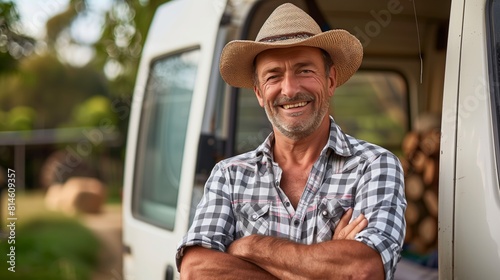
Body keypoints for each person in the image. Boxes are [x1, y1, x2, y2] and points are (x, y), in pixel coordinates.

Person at [176, 3, 406, 280]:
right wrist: (325, 265)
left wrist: (249, 246)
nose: (290, 89)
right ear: (260, 93)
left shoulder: (374, 166)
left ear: (330, 81)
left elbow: (363, 269)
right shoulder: (229, 176)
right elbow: (195, 270)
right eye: (273, 76)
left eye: (304, 71)